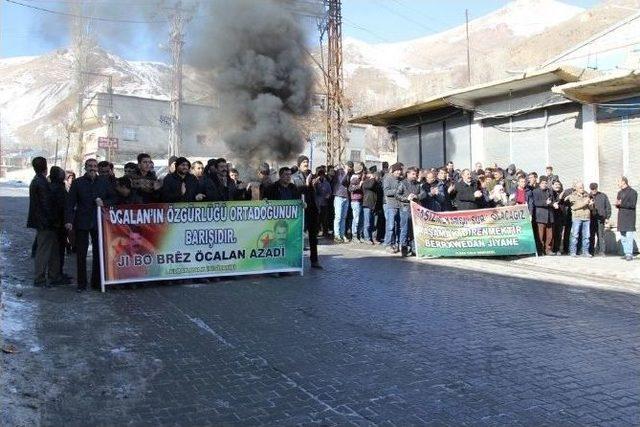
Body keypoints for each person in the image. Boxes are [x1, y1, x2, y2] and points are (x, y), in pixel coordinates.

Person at [65, 158, 114, 291]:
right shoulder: (77, 183)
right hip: (82, 221)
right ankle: (81, 284)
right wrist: (69, 221)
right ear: (85, 167)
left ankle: (97, 282)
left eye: (94, 166)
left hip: (99, 221)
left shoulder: (104, 182)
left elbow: (113, 198)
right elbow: (70, 203)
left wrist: (104, 203)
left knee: (99, 253)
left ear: (97, 168)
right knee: (81, 254)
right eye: (90, 166)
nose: (93, 168)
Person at [27, 157, 61, 287]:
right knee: (44, 250)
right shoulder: (41, 182)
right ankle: (40, 277)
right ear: (45, 167)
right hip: (45, 222)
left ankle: (53, 275)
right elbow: (46, 205)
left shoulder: (36, 181)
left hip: (42, 221)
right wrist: (53, 220)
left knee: (52, 249)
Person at [396, 166, 426, 256]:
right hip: (405, 209)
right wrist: (406, 199)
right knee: (404, 229)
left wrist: (417, 196)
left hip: (415, 209)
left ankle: (414, 248)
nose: (415, 176)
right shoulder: (402, 183)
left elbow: (424, 194)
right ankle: (404, 248)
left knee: (414, 229)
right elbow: (397, 195)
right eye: (413, 174)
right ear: (408, 174)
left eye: (416, 174)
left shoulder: (418, 184)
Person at [49, 166, 70, 282]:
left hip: (58, 224)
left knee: (59, 250)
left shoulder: (54, 187)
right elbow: (62, 207)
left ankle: (58, 273)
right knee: (58, 251)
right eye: (63, 174)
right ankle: (57, 274)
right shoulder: (58, 189)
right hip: (59, 224)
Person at [565, 181, 593, 257]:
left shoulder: (586, 196)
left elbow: (590, 208)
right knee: (575, 235)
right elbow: (574, 207)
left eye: (583, 187)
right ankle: (573, 252)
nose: (582, 188)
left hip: (586, 218)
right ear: (576, 188)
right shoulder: (572, 196)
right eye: (580, 187)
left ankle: (585, 252)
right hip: (577, 218)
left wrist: (591, 205)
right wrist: (585, 203)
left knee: (586, 236)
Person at [531, 177, 555, 255]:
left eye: (545, 183)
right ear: (540, 183)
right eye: (543, 183)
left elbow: (552, 201)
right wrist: (545, 203)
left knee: (550, 235)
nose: (544, 185)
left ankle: (548, 250)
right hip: (540, 216)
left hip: (549, 216)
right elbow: (535, 203)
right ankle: (540, 250)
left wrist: (553, 204)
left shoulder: (550, 191)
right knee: (540, 235)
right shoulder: (535, 191)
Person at [616, 176, 637, 261]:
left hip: (629, 217)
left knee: (629, 236)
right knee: (623, 236)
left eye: (618, 182)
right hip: (621, 216)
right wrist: (617, 204)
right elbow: (619, 203)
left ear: (623, 182)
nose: (617, 184)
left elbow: (632, 205)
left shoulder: (633, 192)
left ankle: (629, 254)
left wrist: (621, 204)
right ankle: (626, 253)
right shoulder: (619, 192)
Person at [383, 163, 403, 253]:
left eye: (400, 170)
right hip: (390, 205)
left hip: (400, 205)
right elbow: (386, 192)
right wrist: (397, 191)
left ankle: (397, 244)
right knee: (390, 226)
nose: (399, 172)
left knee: (398, 226)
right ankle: (388, 244)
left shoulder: (401, 180)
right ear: (394, 170)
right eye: (397, 170)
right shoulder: (388, 178)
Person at [331, 161, 352, 243]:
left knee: (343, 217)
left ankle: (342, 234)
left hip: (346, 197)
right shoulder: (340, 172)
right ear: (346, 166)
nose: (349, 168)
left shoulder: (350, 174)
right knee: (338, 217)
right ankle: (336, 235)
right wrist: (346, 172)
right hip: (339, 196)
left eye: (351, 167)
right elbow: (341, 181)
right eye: (349, 166)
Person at [588, 182, 611, 256]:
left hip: (600, 219)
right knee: (591, 235)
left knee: (600, 235)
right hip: (591, 219)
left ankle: (601, 251)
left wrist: (607, 217)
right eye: (592, 189)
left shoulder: (603, 196)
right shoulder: (588, 196)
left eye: (595, 189)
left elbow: (608, 207)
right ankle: (591, 251)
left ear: (597, 188)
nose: (593, 190)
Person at [313, 166, 332, 238]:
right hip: (317, 203)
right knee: (317, 218)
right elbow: (314, 191)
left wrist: (328, 195)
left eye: (322, 174)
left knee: (324, 218)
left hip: (324, 203)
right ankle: (316, 231)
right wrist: (315, 184)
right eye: (319, 174)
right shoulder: (315, 182)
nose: (321, 176)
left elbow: (330, 191)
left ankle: (325, 232)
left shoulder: (326, 182)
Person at [551, 181, 569, 255]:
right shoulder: (550, 193)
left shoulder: (563, 193)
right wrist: (559, 198)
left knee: (559, 234)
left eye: (559, 184)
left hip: (560, 217)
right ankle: (550, 249)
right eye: (556, 184)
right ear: (552, 186)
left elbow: (566, 204)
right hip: (552, 216)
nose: (557, 186)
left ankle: (557, 249)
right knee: (551, 234)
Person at [348, 163, 365, 242]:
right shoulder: (354, 179)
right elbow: (350, 189)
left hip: (361, 200)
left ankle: (359, 234)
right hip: (355, 201)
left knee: (361, 219)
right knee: (356, 219)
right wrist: (359, 185)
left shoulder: (360, 178)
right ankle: (354, 236)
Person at [361, 167, 378, 244]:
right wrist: (373, 178)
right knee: (367, 223)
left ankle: (372, 238)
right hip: (367, 204)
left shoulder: (374, 182)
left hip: (373, 205)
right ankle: (367, 238)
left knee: (373, 223)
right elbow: (371, 186)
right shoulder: (366, 182)